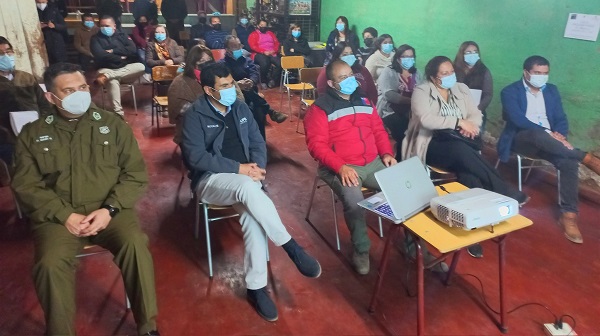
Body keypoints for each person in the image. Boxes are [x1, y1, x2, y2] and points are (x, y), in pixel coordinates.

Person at [11, 62, 159, 336]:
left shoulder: (112, 125)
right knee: (49, 264)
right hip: (59, 217)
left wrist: (109, 209)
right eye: (68, 91)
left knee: (136, 246)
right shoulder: (33, 134)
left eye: (82, 88)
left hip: (110, 210)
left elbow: (135, 174)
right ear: (50, 97)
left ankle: (147, 326)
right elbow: (25, 184)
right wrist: (64, 215)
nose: (79, 95)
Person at [181, 63, 321, 322]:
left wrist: (258, 167)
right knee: (248, 187)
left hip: (247, 179)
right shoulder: (195, 115)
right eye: (224, 86)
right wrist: (239, 169)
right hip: (211, 181)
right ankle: (290, 246)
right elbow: (196, 157)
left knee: (252, 217)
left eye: (232, 83)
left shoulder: (241, 107)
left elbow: (258, 142)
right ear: (209, 90)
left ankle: (256, 288)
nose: (231, 89)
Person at [304, 60, 396, 274]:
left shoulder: (364, 100)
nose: (349, 80)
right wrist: (340, 166)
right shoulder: (320, 108)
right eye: (342, 78)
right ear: (331, 83)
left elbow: (379, 131)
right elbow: (316, 146)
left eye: (350, 75)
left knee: (402, 188)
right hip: (341, 166)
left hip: (373, 162)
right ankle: (361, 250)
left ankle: (414, 245)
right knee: (355, 202)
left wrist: (387, 153)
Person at [402, 56, 528, 211]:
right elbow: (425, 119)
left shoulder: (461, 88)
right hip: (431, 143)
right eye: (444, 73)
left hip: (460, 140)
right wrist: (459, 122)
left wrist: (471, 126)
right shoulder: (422, 91)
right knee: (461, 151)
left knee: (468, 169)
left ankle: (476, 208)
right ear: (434, 78)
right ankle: (502, 189)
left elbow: (475, 113)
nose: (450, 76)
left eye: (451, 72)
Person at [498, 55, 600, 244]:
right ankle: (587, 158)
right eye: (537, 73)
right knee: (537, 135)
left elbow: (561, 118)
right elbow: (518, 120)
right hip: (522, 138)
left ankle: (568, 215)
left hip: (551, 142)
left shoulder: (552, 90)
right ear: (526, 73)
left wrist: (559, 135)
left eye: (545, 73)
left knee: (568, 161)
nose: (542, 77)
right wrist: (548, 133)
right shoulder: (510, 91)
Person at [168, 45, 245, 145]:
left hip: (225, 123)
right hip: (195, 129)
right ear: (193, 63)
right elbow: (182, 110)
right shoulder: (180, 82)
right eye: (201, 60)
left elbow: (239, 98)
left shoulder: (219, 75)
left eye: (209, 59)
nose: (206, 63)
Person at [221, 36, 288, 139]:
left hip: (250, 94)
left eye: (239, 45)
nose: (238, 48)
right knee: (249, 94)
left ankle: (260, 141)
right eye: (234, 46)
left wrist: (251, 81)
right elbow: (224, 82)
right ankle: (270, 111)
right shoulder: (223, 64)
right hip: (234, 96)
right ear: (227, 49)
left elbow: (254, 73)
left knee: (258, 109)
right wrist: (238, 85)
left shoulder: (246, 60)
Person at [0, 36, 53, 165]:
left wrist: (45, 125)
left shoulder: (26, 77)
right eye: (0, 54)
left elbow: (44, 105)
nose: (6, 56)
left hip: (36, 130)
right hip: (7, 138)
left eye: (8, 51)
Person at [91, 16, 145, 116]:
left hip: (123, 69)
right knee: (112, 81)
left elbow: (132, 50)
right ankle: (119, 114)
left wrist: (113, 51)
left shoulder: (122, 35)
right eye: (102, 26)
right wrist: (120, 57)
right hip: (105, 68)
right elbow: (100, 55)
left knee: (141, 66)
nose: (104, 28)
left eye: (107, 26)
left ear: (114, 26)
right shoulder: (95, 39)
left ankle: (108, 76)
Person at [376, 44, 420, 160]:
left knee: (421, 131)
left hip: (411, 110)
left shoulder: (416, 73)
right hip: (389, 110)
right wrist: (411, 101)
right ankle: (400, 160)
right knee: (404, 133)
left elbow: (422, 92)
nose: (408, 59)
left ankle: (415, 159)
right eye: (405, 56)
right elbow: (389, 95)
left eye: (411, 56)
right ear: (398, 58)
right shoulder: (389, 71)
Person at [454, 41, 493, 133]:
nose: (472, 54)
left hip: (476, 113)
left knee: (473, 138)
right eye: (468, 52)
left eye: (475, 52)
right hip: (454, 113)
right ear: (461, 54)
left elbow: (488, 94)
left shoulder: (484, 71)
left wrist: (476, 110)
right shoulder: (453, 70)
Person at [248, 20, 282, 89]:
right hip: (259, 53)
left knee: (280, 63)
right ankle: (263, 81)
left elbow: (277, 43)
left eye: (265, 25)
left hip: (272, 53)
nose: (263, 27)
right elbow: (253, 46)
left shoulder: (270, 33)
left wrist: (274, 50)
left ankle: (273, 80)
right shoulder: (253, 34)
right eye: (261, 25)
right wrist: (263, 51)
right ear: (258, 26)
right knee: (265, 63)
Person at [36, 0, 68, 64]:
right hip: (41, 42)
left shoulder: (54, 11)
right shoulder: (33, 12)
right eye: (39, 2)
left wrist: (54, 26)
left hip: (55, 41)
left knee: (59, 62)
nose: (41, 4)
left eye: (43, 2)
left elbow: (64, 26)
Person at [132, 15, 157, 82]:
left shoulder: (151, 28)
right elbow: (137, 38)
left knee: (152, 57)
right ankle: (147, 73)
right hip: (140, 47)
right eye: (141, 20)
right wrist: (145, 45)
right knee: (143, 57)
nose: (142, 21)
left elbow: (153, 38)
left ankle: (153, 74)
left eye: (144, 20)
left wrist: (149, 45)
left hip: (151, 47)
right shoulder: (136, 29)